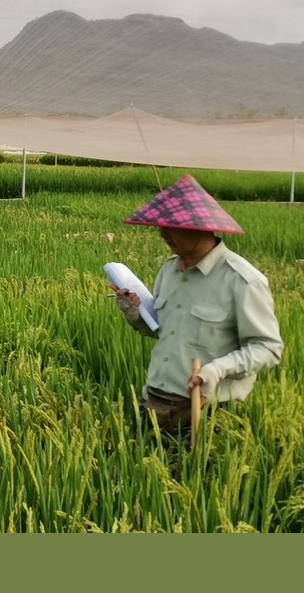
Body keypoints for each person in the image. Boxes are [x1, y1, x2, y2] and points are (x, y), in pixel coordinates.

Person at [110, 175, 283, 434]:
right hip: (155, 401)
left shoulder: (242, 280)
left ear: (201, 226)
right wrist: (134, 313)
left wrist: (217, 369)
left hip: (208, 411)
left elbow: (268, 348)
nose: (163, 233)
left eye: (172, 226)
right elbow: (161, 331)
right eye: (160, 226)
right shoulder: (169, 270)